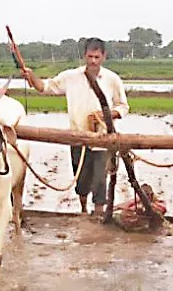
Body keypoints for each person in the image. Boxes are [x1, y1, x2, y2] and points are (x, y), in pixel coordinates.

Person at [20, 38, 129, 216]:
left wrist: (106, 115)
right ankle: (84, 210)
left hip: (103, 138)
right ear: (84, 55)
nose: (93, 61)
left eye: (97, 57)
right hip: (78, 137)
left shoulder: (112, 79)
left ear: (104, 57)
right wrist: (31, 76)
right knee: (82, 179)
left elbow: (123, 107)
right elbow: (45, 87)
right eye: (90, 56)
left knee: (100, 179)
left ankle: (99, 212)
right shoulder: (70, 77)